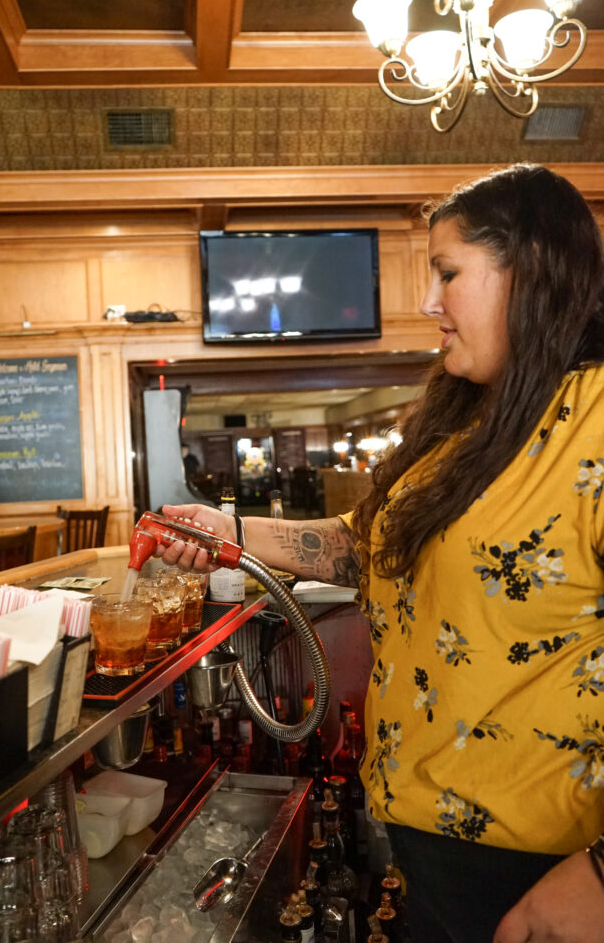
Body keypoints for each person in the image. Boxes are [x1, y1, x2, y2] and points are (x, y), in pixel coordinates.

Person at [152, 164, 604, 943]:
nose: (429, 303)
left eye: (447, 273)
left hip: (546, 865)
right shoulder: (470, 422)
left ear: (529, 272)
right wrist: (225, 534)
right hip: (431, 841)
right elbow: (366, 550)